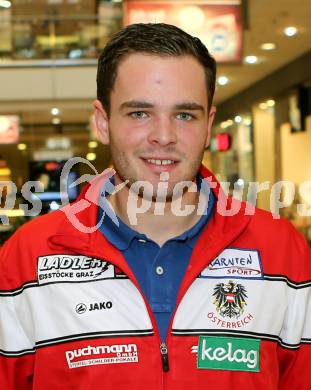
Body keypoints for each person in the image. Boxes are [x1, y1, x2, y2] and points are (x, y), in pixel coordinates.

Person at [0, 23, 310, 390]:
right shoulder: (27, 258)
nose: (163, 136)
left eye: (184, 115)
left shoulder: (281, 251)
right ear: (103, 122)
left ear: (208, 124)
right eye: (139, 113)